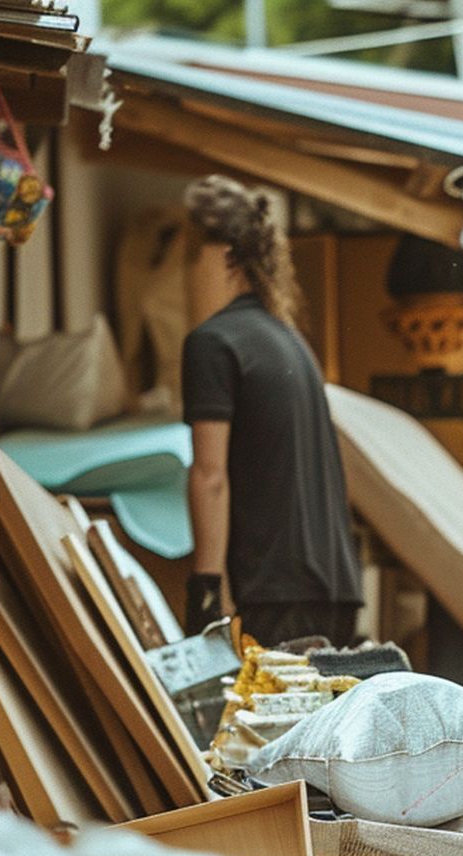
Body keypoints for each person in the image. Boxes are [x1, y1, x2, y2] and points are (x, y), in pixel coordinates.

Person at [180, 175, 363, 646]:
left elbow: (210, 474)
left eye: (189, 255)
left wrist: (207, 588)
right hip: (334, 586)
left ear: (223, 257)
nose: (183, 273)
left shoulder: (213, 343)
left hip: (274, 592)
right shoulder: (289, 342)